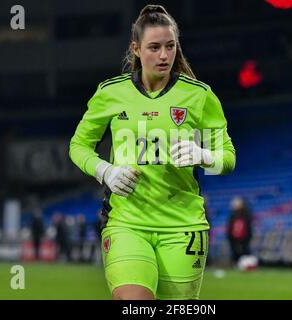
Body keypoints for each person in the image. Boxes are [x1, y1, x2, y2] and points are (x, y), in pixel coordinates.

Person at [69, 4, 235, 300]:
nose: (164, 55)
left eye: (170, 46)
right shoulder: (111, 93)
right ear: (136, 48)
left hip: (182, 226)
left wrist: (204, 155)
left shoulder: (199, 97)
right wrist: (105, 171)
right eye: (154, 47)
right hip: (127, 223)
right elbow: (78, 146)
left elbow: (227, 158)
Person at [227, 197, 253, 265]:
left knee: (245, 250)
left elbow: (248, 226)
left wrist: (248, 236)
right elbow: (230, 226)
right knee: (235, 250)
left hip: (244, 236)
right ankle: (235, 263)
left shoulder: (246, 213)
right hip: (234, 237)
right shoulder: (232, 215)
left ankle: (246, 264)